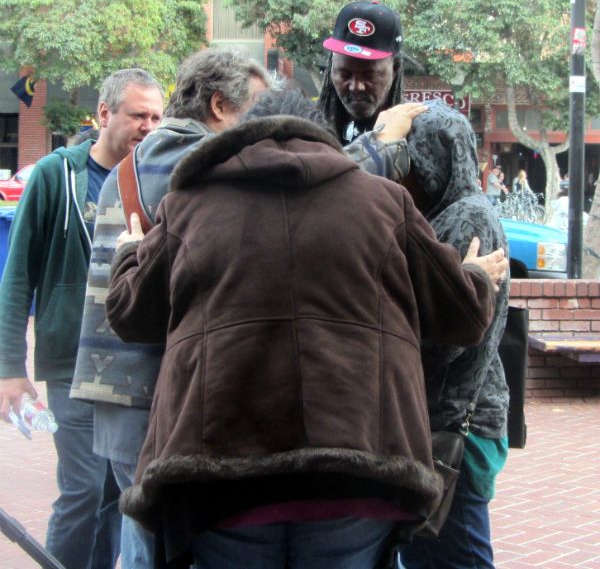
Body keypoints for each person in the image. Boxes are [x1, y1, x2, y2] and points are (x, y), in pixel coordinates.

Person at [105, 88, 507, 568]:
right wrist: (478, 277)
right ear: (321, 137)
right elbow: (461, 319)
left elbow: (131, 315)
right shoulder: (385, 202)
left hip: (220, 480)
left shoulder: (187, 206)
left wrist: (130, 251)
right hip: (358, 475)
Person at [70, 47, 271, 568]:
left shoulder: (130, 166)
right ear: (222, 105)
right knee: (160, 546)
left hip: (115, 384)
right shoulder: (203, 163)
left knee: (142, 538)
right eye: (254, 110)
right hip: (163, 390)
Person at [0, 68, 164, 569]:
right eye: (139, 115)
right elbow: (17, 275)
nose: (149, 127)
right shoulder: (59, 174)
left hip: (131, 363)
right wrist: (9, 369)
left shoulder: (152, 178)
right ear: (104, 114)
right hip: (70, 361)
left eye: (157, 116)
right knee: (83, 488)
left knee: (118, 493)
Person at [394, 101, 510, 569]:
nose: (406, 177)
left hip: (456, 430)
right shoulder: (447, 214)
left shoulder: (466, 221)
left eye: (414, 164)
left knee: (458, 554)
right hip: (448, 423)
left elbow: (452, 330)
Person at [319, 0, 427, 172]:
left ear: (395, 69)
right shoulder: (309, 133)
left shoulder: (419, 136)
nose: (356, 86)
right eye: (344, 74)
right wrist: (379, 144)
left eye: (369, 75)